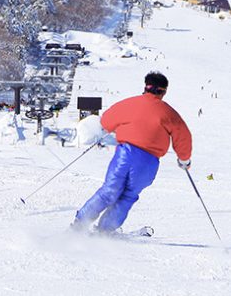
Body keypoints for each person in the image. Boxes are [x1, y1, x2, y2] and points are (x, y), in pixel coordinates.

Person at [73, 71, 192, 234]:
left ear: (146, 87)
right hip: (149, 161)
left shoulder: (129, 104)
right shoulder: (169, 113)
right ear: (163, 92)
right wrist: (184, 159)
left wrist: (117, 126)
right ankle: (105, 230)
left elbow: (106, 121)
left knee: (109, 190)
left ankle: (81, 222)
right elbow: (182, 136)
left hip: (125, 154)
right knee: (128, 196)